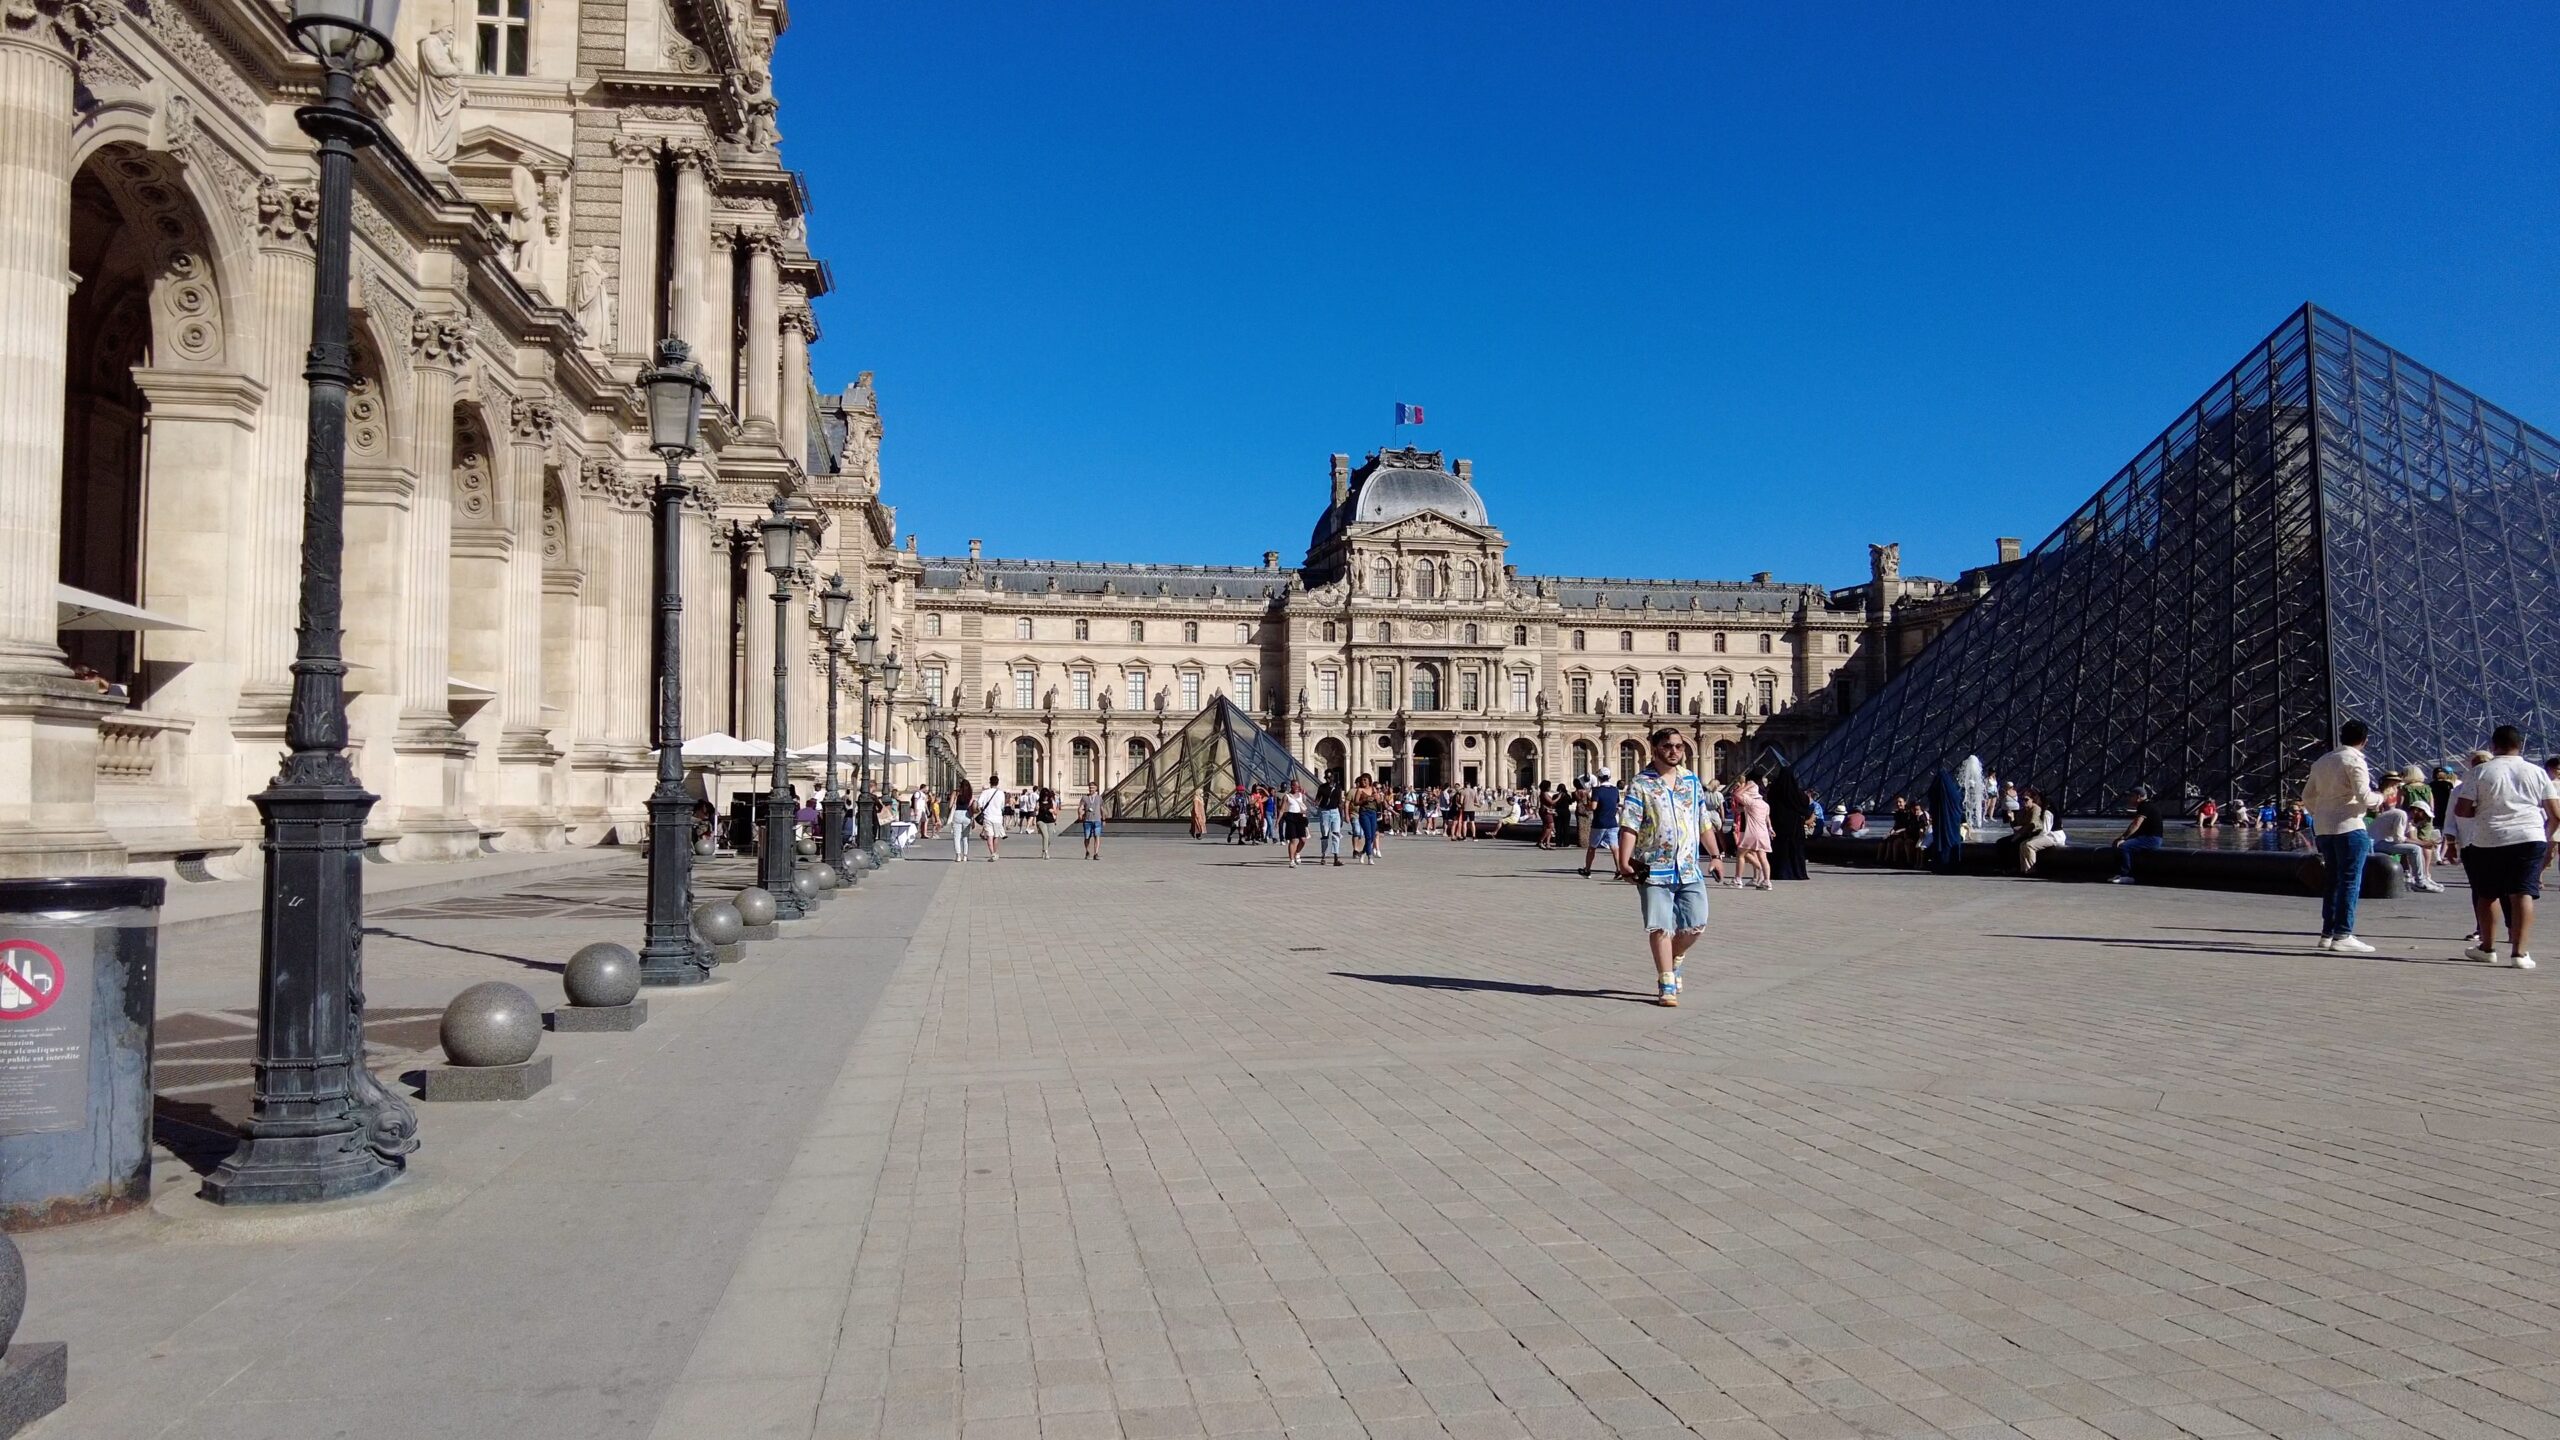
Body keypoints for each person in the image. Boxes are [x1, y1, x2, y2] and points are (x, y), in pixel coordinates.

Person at [1615, 727, 1722, 1008]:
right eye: (1667, 746)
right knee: (1660, 927)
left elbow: (1703, 821)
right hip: (1653, 867)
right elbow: (1630, 825)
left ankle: (1675, 957)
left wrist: (1716, 854)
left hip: (1688, 866)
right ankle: (1666, 983)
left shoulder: (1692, 781)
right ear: (1654, 749)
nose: (1674, 751)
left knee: (1696, 925)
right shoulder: (1641, 784)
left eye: (1678, 746)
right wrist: (1623, 861)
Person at [2456, 726, 2560, 969]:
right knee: (2523, 893)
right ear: (2520, 746)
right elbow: (2555, 813)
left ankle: (2488, 948)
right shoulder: (2537, 772)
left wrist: (2483, 811)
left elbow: (2462, 809)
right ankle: (2520, 954)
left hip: (2489, 837)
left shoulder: (2479, 771)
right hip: (2529, 836)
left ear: (2493, 746)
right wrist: (2543, 834)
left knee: (2488, 894)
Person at [2299, 720, 2384, 950]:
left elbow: (2307, 796)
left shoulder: (2322, 761)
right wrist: (2382, 798)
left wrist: (2322, 812)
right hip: (2350, 826)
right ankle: (2343, 934)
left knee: (2333, 881)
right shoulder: (2355, 761)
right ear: (2364, 741)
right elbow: (2365, 797)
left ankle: (2327, 933)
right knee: (2350, 881)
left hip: (2324, 828)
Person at [2370, 783, 2442, 892]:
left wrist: (2426, 842)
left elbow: (2411, 838)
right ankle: (2420, 881)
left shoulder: (2408, 821)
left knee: (2415, 848)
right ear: (2416, 811)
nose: (2425, 820)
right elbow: (2399, 838)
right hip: (2376, 843)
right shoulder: (2401, 815)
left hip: (2382, 841)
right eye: (2424, 816)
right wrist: (2422, 844)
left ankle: (2421, 878)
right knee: (2415, 849)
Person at [2108, 784, 2164, 885]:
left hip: (2152, 839)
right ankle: (2120, 873)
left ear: (2138, 797)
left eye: (2131, 796)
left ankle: (2126, 875)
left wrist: (2123, 838)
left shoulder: (2145, 806)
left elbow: (2136, 824)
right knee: (2121, 844)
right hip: (2148, 838)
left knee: (2124, 847)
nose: (2129, 799)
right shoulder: (2147, 805)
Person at [1731, 776, 1772, 890]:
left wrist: (1748, 785)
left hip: (1752, 832)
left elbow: (1736, 795)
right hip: (1763, 833)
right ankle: (1767, 881)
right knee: (1763, 857)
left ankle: (1738, 879)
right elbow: (1767, 818)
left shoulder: (1750, 802)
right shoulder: (1765, 804)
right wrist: (1770, 828)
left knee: (1741, 854)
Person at [1580, 769, 1621, 878]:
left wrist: (1586, 805)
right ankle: (1618, 870)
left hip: (1599, 823)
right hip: (1612, 822)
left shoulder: (1597, 790)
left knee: (1592, 848)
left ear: (1599, 778)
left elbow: (1593, 807)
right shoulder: (1615, 790)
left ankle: (1587, 870)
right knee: (1615, 847)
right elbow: (1616, 804)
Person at [2017, 788, 2063, 875]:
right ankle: (2024, 870)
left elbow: (2045, 831)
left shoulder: (2047, 813)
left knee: (2028, 845)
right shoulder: (2050, 810)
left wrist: (2033, 838)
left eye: (2038, 799)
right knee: (2022, 844)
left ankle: (2031, 869)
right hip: (2052, 835)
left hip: (2054, 837)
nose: (2036, 800)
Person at [972, 774, 1007, 862]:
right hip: (998, 818)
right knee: (996, 836)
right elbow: (1002, 806)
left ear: (990, 782)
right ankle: (995, 852)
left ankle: (992, 854)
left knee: (989, 836)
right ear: (997, 783)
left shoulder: (985, 792)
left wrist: (980, 809)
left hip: (988, 816)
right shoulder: (1001, 793)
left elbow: (979, 804)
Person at [1315, 772, 1346, 867]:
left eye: (1330, 777)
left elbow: (1340, 802)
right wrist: (1315, 803)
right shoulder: (1322, 787)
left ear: (1333, 777)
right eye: (1327, 778)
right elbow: (1317, 799)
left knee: (1336, 834)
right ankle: (1324, 856)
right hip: (1325, 812)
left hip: (1335, 811)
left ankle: (1336, 858)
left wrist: (1341, 816)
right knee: (1325, 835)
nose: (1328, 779)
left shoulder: (1338, 788)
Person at [1353, 773, 1385, 864]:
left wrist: (1376, 796)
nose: (1363, 782)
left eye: (1365, 780)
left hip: (1373, 813)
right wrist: (1364, 800)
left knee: (1372, 836)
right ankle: (1370, 857)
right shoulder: (1360, 790)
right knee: (1368, 835)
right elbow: (1355, 802)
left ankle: (1363, 853)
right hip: (1364, 813)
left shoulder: (1373, 789)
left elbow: (1379, 802)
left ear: (1369, 781)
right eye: (1362, 780)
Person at [1281, 780, 1311, 867]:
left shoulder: (1301, 795)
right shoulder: (1287, 796)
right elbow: (1282, 810)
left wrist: (1305, 794)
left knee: (1303, 839)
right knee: (1293, 839)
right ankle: (1292, 861)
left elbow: (1305, 806)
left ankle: (1297, 852)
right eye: (1296, 786)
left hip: (1300, 817)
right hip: (1291, 817)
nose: (1298, 788)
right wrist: (1278, 821)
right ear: (1292, 786)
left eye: (1298, 786)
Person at [1078, 783, 1106, 860]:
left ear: (1096, 788)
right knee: (1087, 837)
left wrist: (1103, 819)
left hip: (1097, 820)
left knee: (1097, 836)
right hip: (1087, 820)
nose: (1091, 789)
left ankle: (1096, 853)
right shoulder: (1084, 798)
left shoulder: (1099, 798)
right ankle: (1087, 852)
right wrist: (1080, 814)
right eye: (1090, 788)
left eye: (1093, 788)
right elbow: (1081, 807)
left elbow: (1102, 809)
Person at [951, 778, 975, 861]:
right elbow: (971, 806)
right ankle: (965, 856)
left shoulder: (956, 792)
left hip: (957, 814)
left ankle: (958, 856)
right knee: (965, 837)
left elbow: (950, 805)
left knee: (956, 837)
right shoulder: (970, 794)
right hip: (967, 815)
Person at [1033, 785, 1059, 859]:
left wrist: (1053, 811)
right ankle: (1046, 853)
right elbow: (1036, 812)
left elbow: (1056, 812)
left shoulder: (1052, 802)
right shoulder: (1038, 802)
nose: (1046, 797)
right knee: (1045, 836)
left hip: (1050, 821)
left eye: (1047, 796)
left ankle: (1044, 850)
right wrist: (1036, 809)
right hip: (1041, 820)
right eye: (1044, 796)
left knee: (1049, 838)